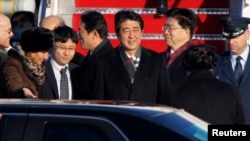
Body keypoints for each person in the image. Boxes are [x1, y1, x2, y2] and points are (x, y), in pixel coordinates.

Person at [92, 10, 170, 104]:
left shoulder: (157, 61)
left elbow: (165, 99)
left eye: (135, 30)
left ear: (142, 32)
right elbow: (99, 101)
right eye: (126, 31)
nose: (132, 35)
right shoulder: (103, 62)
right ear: (118, 35)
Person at [170, 44, 245, 124]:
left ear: (187, 65)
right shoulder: (231, 91)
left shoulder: (175, 92)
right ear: (212, 65)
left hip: (191, 136)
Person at [214, 16, 250, 124]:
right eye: (228, 38)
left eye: (236, 37)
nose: (231, 42)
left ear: (247, 34)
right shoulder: (217, 63)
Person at [0, 27, 54, 98]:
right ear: (31, 50)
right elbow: (13, 82)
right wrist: (23, 91)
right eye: (43, 52)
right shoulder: (13, 64)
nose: (46, 57)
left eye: (47, 52)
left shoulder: (43, 66)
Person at [74, 10, 113, 99]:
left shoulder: (106, 60)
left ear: (94, 34)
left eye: (81, 31)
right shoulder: (93, 55)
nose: (78, 36)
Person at [40, 25, 79, 99]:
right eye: (62, 47)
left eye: (71, 48)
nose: (66, 53)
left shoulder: (78, 71)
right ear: (52, 47)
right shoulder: (40, 69)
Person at [163, 8, 198, 87]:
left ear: (186, 32)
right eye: (165, 27)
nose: (166, 32)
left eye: (170, 28)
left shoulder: (196, 58)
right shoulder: (160, 58)